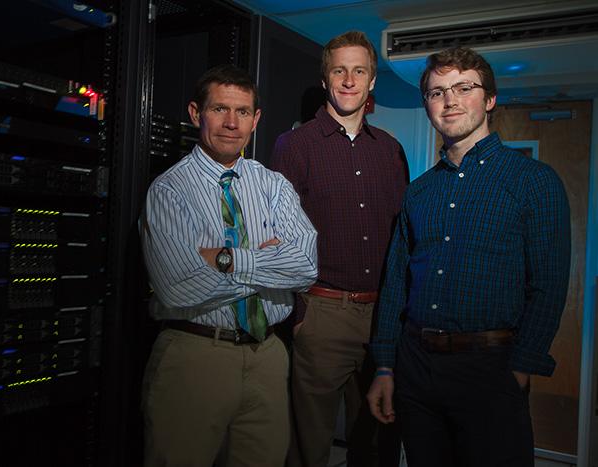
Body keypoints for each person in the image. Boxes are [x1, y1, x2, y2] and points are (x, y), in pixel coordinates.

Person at [367, 46, 571, 467]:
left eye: (464, 87)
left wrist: (521, 366)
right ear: (427, 105)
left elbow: (548, 283)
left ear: (490, 99)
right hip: (417, 368)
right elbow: (396, 285)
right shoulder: (419, 192)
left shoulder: (532, 180)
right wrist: (386, 366)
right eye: (437, 91)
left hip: (491, 367)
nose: (450, 100)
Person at [140, 64, 318, 467]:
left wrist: (224, 259)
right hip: (196, 353)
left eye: (242, 112)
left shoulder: (273, 185)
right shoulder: (169, 190)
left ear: (256, 119)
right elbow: (178, 287)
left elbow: (306, 266)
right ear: (194, 113)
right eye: (220, 109)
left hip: (268, 354)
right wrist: (270, 262)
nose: (231, 123)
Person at [271, 31, 408, 467]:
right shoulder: (294, 145)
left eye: (360, 70)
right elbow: (276, 236)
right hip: (321, 314)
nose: (349, 79)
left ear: (372, 82)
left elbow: (403, 236)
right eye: (339, 70)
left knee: (378, 445)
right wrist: (298, 318)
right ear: (326, 77)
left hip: (383, 320)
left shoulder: (391, 150)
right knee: (309, 447)